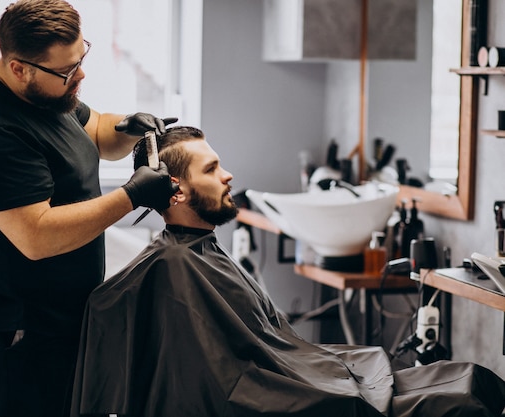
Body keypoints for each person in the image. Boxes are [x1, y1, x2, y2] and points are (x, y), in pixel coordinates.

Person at [72, 126, 505, 417]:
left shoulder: (194, 253)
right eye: (211, 169)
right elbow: (223, 383)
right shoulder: (176, 266)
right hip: (286, 394)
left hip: (302, 374)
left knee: (467, 377)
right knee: (460, 398)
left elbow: (269, 349)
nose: (228, 176)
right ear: (177, 191)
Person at [0, 1, 179, 416]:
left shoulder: (47, 95)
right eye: (68, 71)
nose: (80, 75)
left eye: (81, 57)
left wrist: (129, 126)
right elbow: (37, 235)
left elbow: (97, 130)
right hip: (24, 334)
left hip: (65, 321)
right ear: (19, 68)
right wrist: (131, 196)